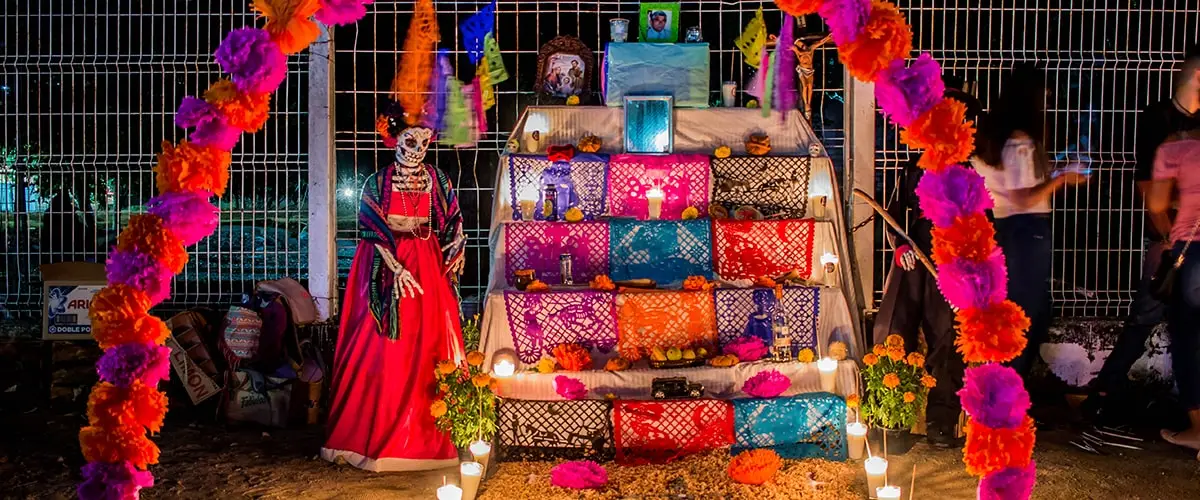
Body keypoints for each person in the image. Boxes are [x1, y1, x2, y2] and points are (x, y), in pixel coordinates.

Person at [322, 126, 467, 471]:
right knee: (382, 343)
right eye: (409, 140)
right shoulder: (377, 182)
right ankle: (372, 436)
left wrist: (458, 245)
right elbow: (371, 226)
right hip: (385, 266)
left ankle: (425, 438)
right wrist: (395, 266)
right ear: (394, 140)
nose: (416, 148)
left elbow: (453, 220)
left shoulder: (438, 180)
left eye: (424, 141)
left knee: (429, 339)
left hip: (427, 265)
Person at [1085, 45, 1200, 422]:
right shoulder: (1157, 118)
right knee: (1150, 312)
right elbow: (1147, 186)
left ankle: (1109, 389)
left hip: (1184, 241)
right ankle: (1106, 389)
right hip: (1171, 240)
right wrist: (1167, 237)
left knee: (1171, 320)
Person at [874, 77, 982, 448]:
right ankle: (893, 421)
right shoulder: (913, 165)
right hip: (911, 258)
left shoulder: (971, 173)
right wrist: (898, 245)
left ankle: (941, 421)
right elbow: (891, 212)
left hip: (950, 262)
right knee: (894, 331)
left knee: (945, 337)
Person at [971, 63, 1089, 377]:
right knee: (1028, 315)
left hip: (1008, 229)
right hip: (1028, 230)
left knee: (1024, 310)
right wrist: (1062, 178)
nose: (1047, 106)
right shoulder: (1020, 141)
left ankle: (1005, 384)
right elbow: (1024, 196)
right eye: (1045, 98)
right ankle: (1009, 387)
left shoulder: (995, 139)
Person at [1149, 128, 1200, 456]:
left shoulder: (1180, 149)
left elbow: (1156, 202)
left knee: (1188, 338)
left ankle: (1198, 429)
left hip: (1193, 250)